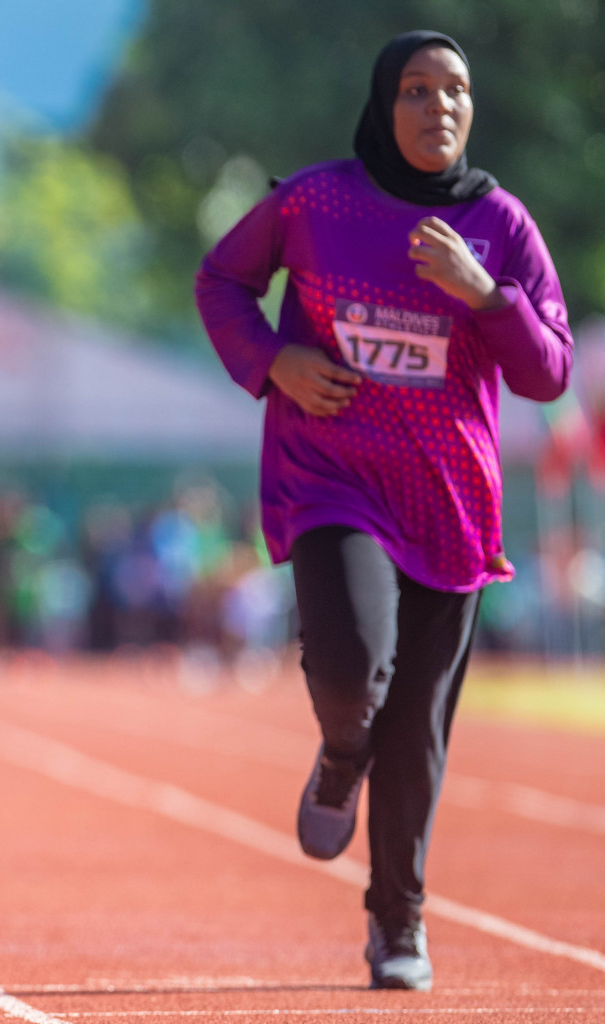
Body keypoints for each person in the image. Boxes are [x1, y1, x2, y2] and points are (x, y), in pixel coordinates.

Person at [195, 31, 571, 990]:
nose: (436, 105)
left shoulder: (500, 224)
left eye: (454, 90)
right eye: (415, 88)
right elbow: (222, 280)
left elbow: (548, 371)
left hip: (449, 503)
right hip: (333, 480)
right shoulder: (317, 200)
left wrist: (486, 294)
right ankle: (338, 750)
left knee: (420, 731)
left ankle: (397, 923)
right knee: (355, 671)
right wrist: (275, 358)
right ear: (383, 102)